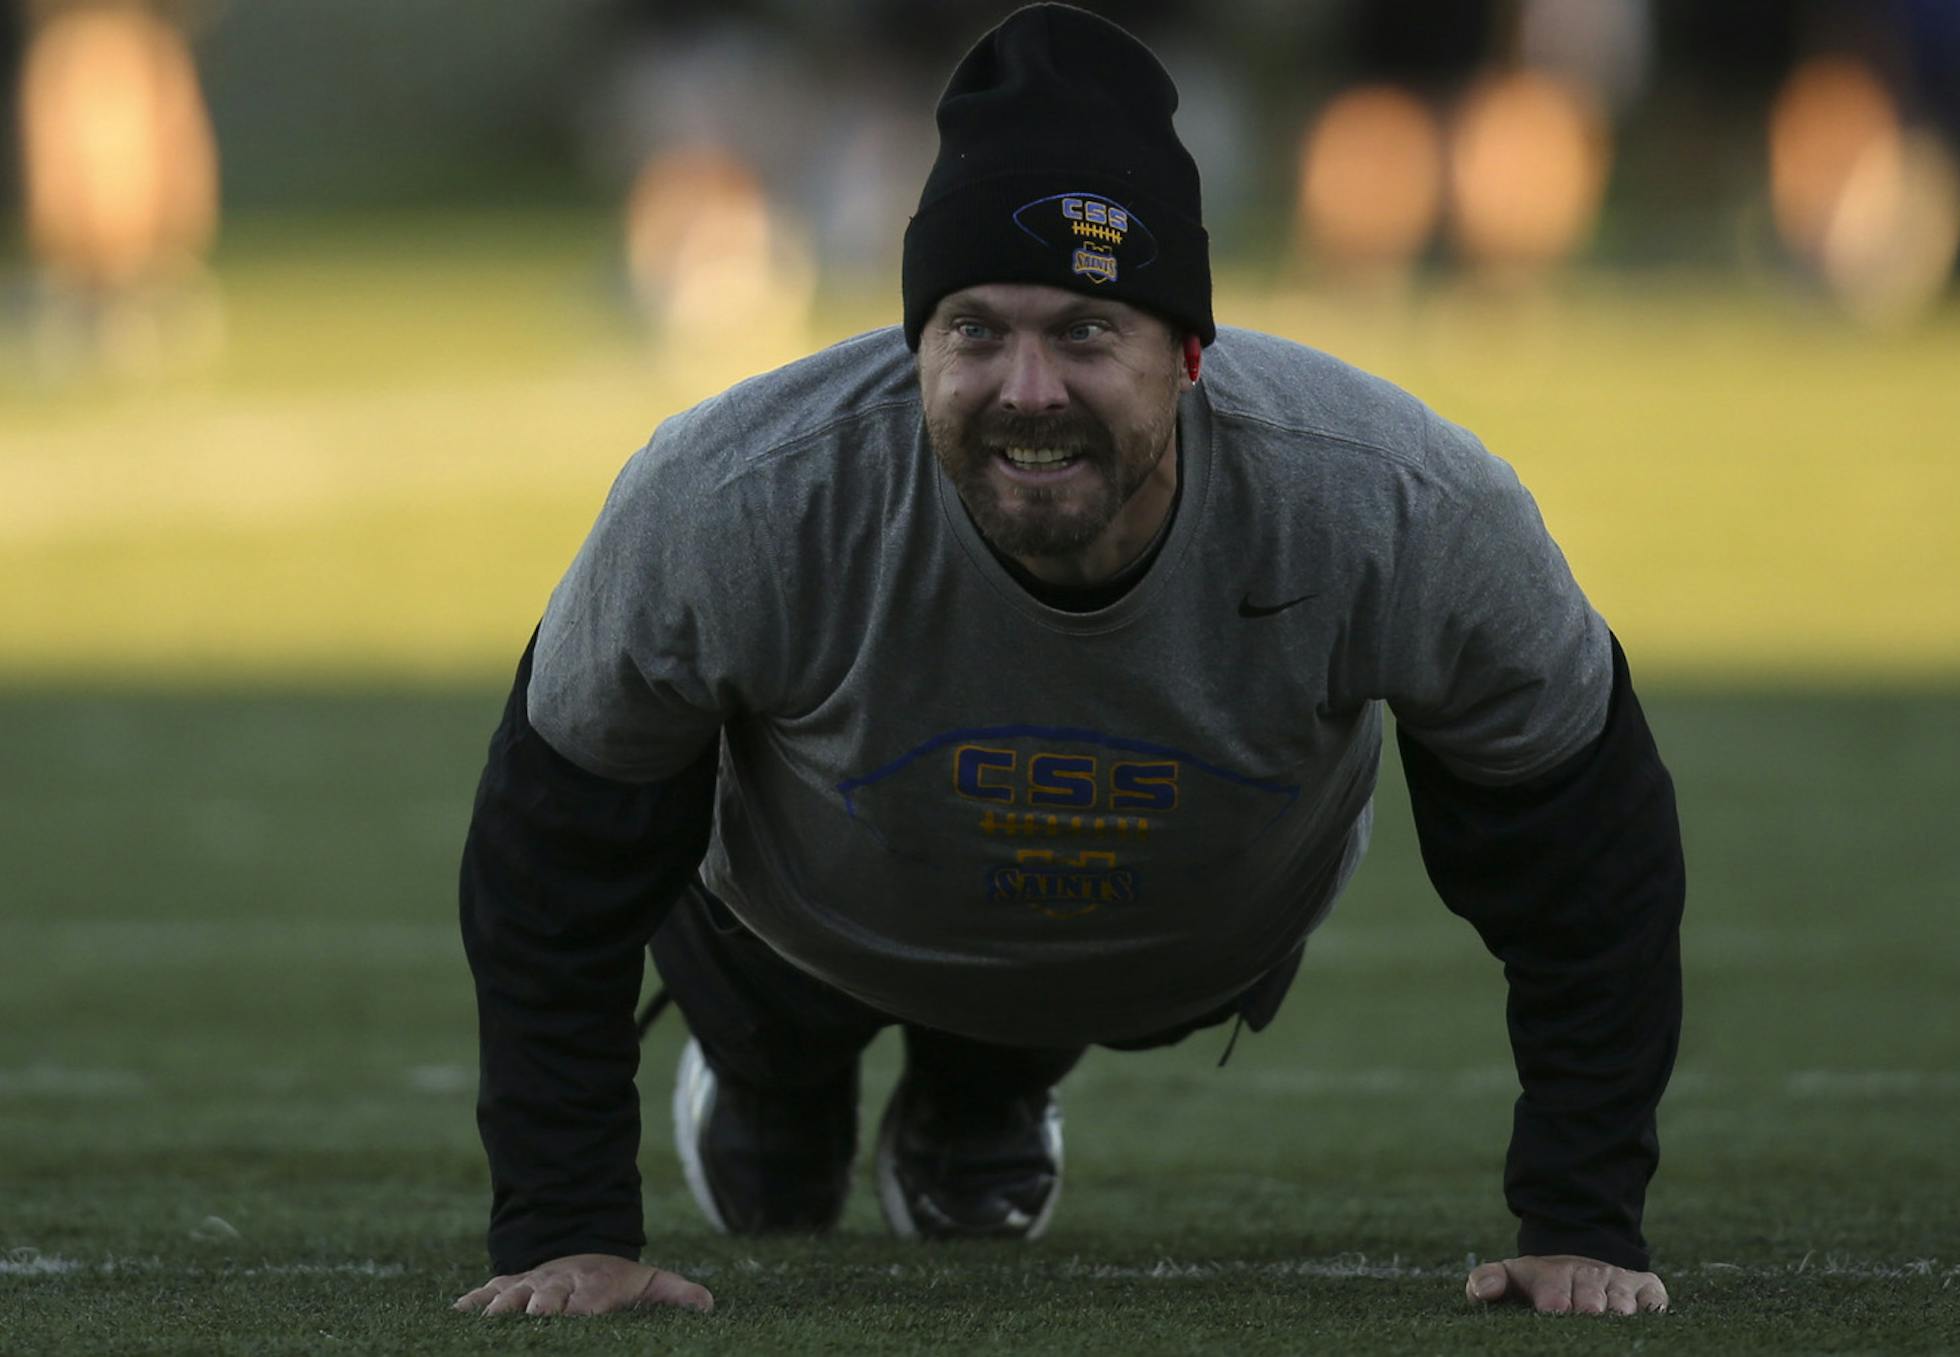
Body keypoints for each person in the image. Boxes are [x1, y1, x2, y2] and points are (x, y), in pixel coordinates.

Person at [454, 2, 1683, 1321]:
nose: (1027, 388)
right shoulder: (737, 495)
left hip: (1168, 944)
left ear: (1192, 354)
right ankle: (775, 1060)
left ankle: (989, 1079)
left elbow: (1585, 851)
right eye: (976, 330)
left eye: (1086, 332)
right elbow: (554, 850)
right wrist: (565, 1225)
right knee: (755, 981)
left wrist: (1579, 1216)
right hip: (806, 918)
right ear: (914, 341)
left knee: (1074, 905)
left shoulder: (1393, 501)